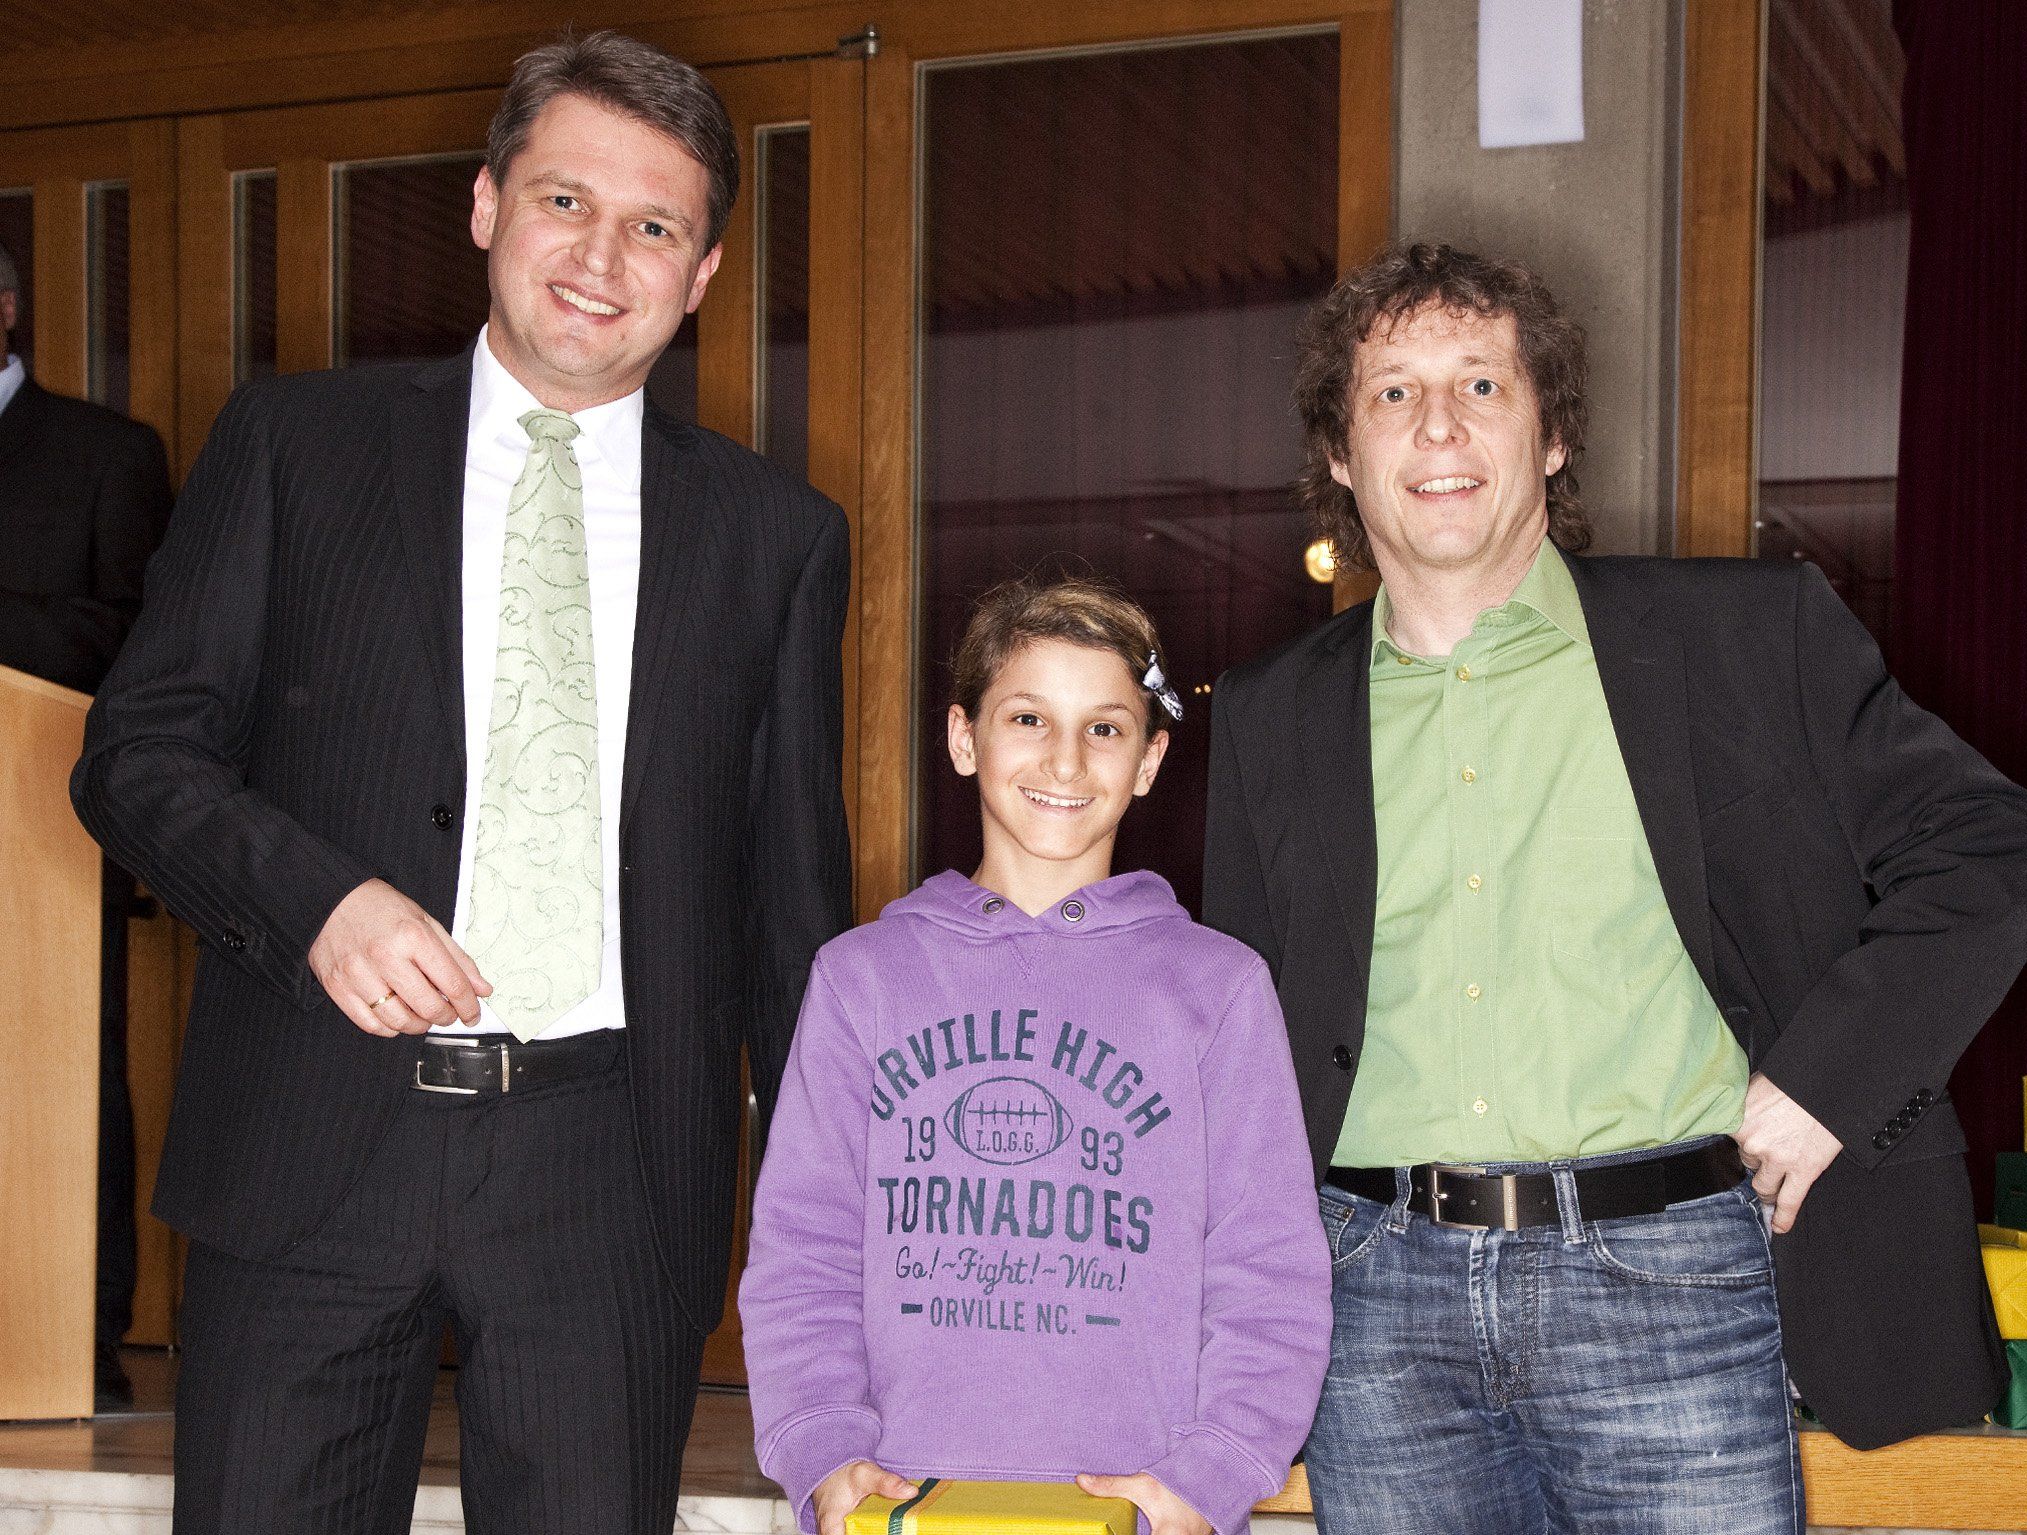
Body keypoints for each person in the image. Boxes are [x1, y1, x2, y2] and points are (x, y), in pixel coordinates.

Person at [70, 30, 850, 1534]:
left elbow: (788, 910)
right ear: (488, 205)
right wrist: (319, 903)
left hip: (609, 1176)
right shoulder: (296, 447)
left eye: (653, 226)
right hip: (307, 1141)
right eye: (565, 200)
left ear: (701, 273)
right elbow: (137, 751)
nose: (600, 257)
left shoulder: (775, 537)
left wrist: (831, 1233)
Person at [1202, 243, 2027, 1534]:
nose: (1437, 424)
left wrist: (1830, 1080)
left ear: (1551, 436)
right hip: (1371, 1296)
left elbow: (1983, 842)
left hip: (1674, 1273)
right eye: (1391, 392)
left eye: (1481, 384)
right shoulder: (1269, 710)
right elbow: (1243, 1029)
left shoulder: (1743, 635)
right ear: (1340, 452)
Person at [741, 575, 1329, 1535]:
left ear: (1149, 759)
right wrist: (821, 1446)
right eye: (1027, 718)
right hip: (901, 1502)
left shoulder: (1219, 988)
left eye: (1105, 728)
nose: (1065, 758)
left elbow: (1268, 1266)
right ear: (963, 737)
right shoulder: (860, 979)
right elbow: (805, 1249)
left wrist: (1212, 1472)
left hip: (1136, 1507)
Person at [0, 238, 174, 1409]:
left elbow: (134, 639)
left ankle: (76, 1336)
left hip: (37, 835)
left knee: (63, 1094)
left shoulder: (105, 454)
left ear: (8, 306)